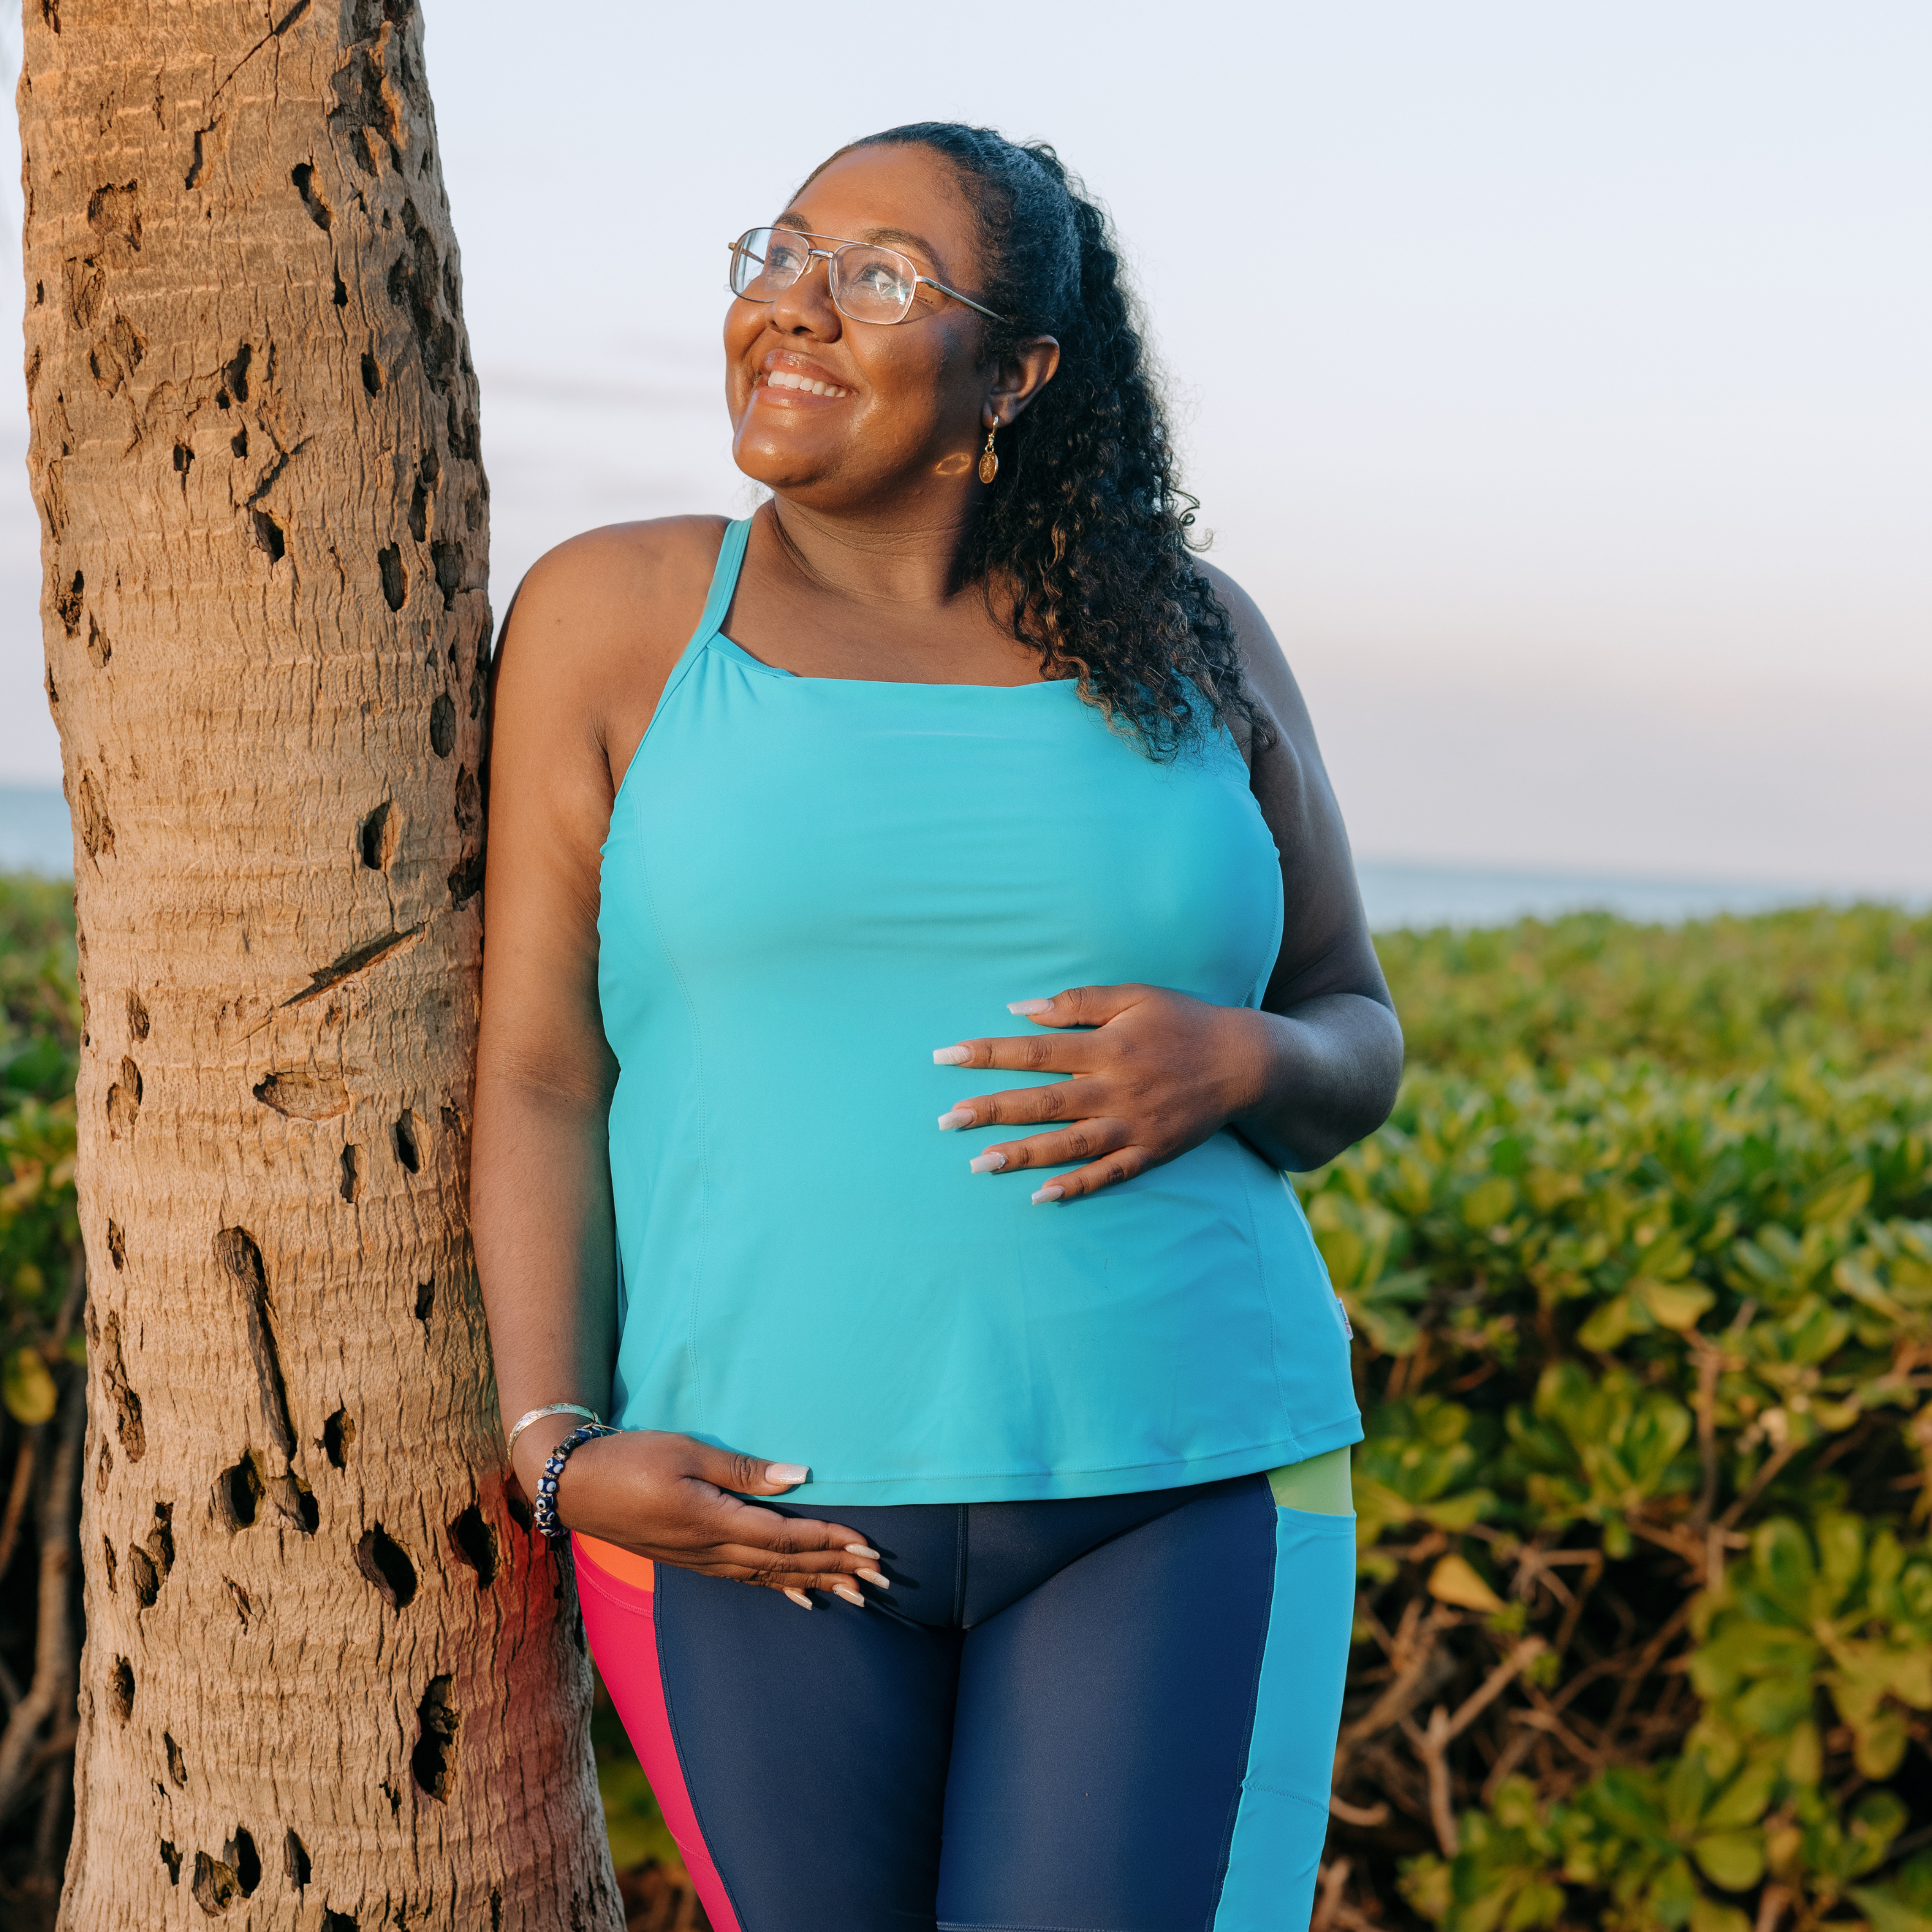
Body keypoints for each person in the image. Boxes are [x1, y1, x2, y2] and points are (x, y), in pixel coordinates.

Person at [473, 122, 1403, 1932]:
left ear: (1018, 371)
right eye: (780, 254)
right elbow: (536, 1069)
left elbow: (1351, 1017)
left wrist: (1249, 1061)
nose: (795, 306)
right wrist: (559, 1450)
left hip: (1185, 1473)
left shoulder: (1194, 638)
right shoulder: (619, 616)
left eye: (880, 274)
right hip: (750, 1504)